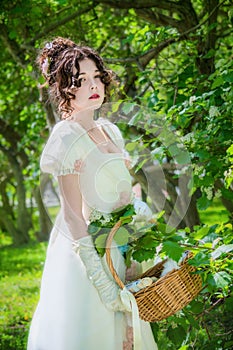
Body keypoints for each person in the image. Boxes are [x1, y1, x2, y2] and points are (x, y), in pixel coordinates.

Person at [27, 37, 158, 350]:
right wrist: (102, 281)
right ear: (63, 87)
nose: (93, 85)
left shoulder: (109, 130)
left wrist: (138, 229)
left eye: (97, 76)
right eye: (81, 80)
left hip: (120, 244)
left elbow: (126, 190)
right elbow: (73, 216)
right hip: (86, 253)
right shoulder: (66, 135)